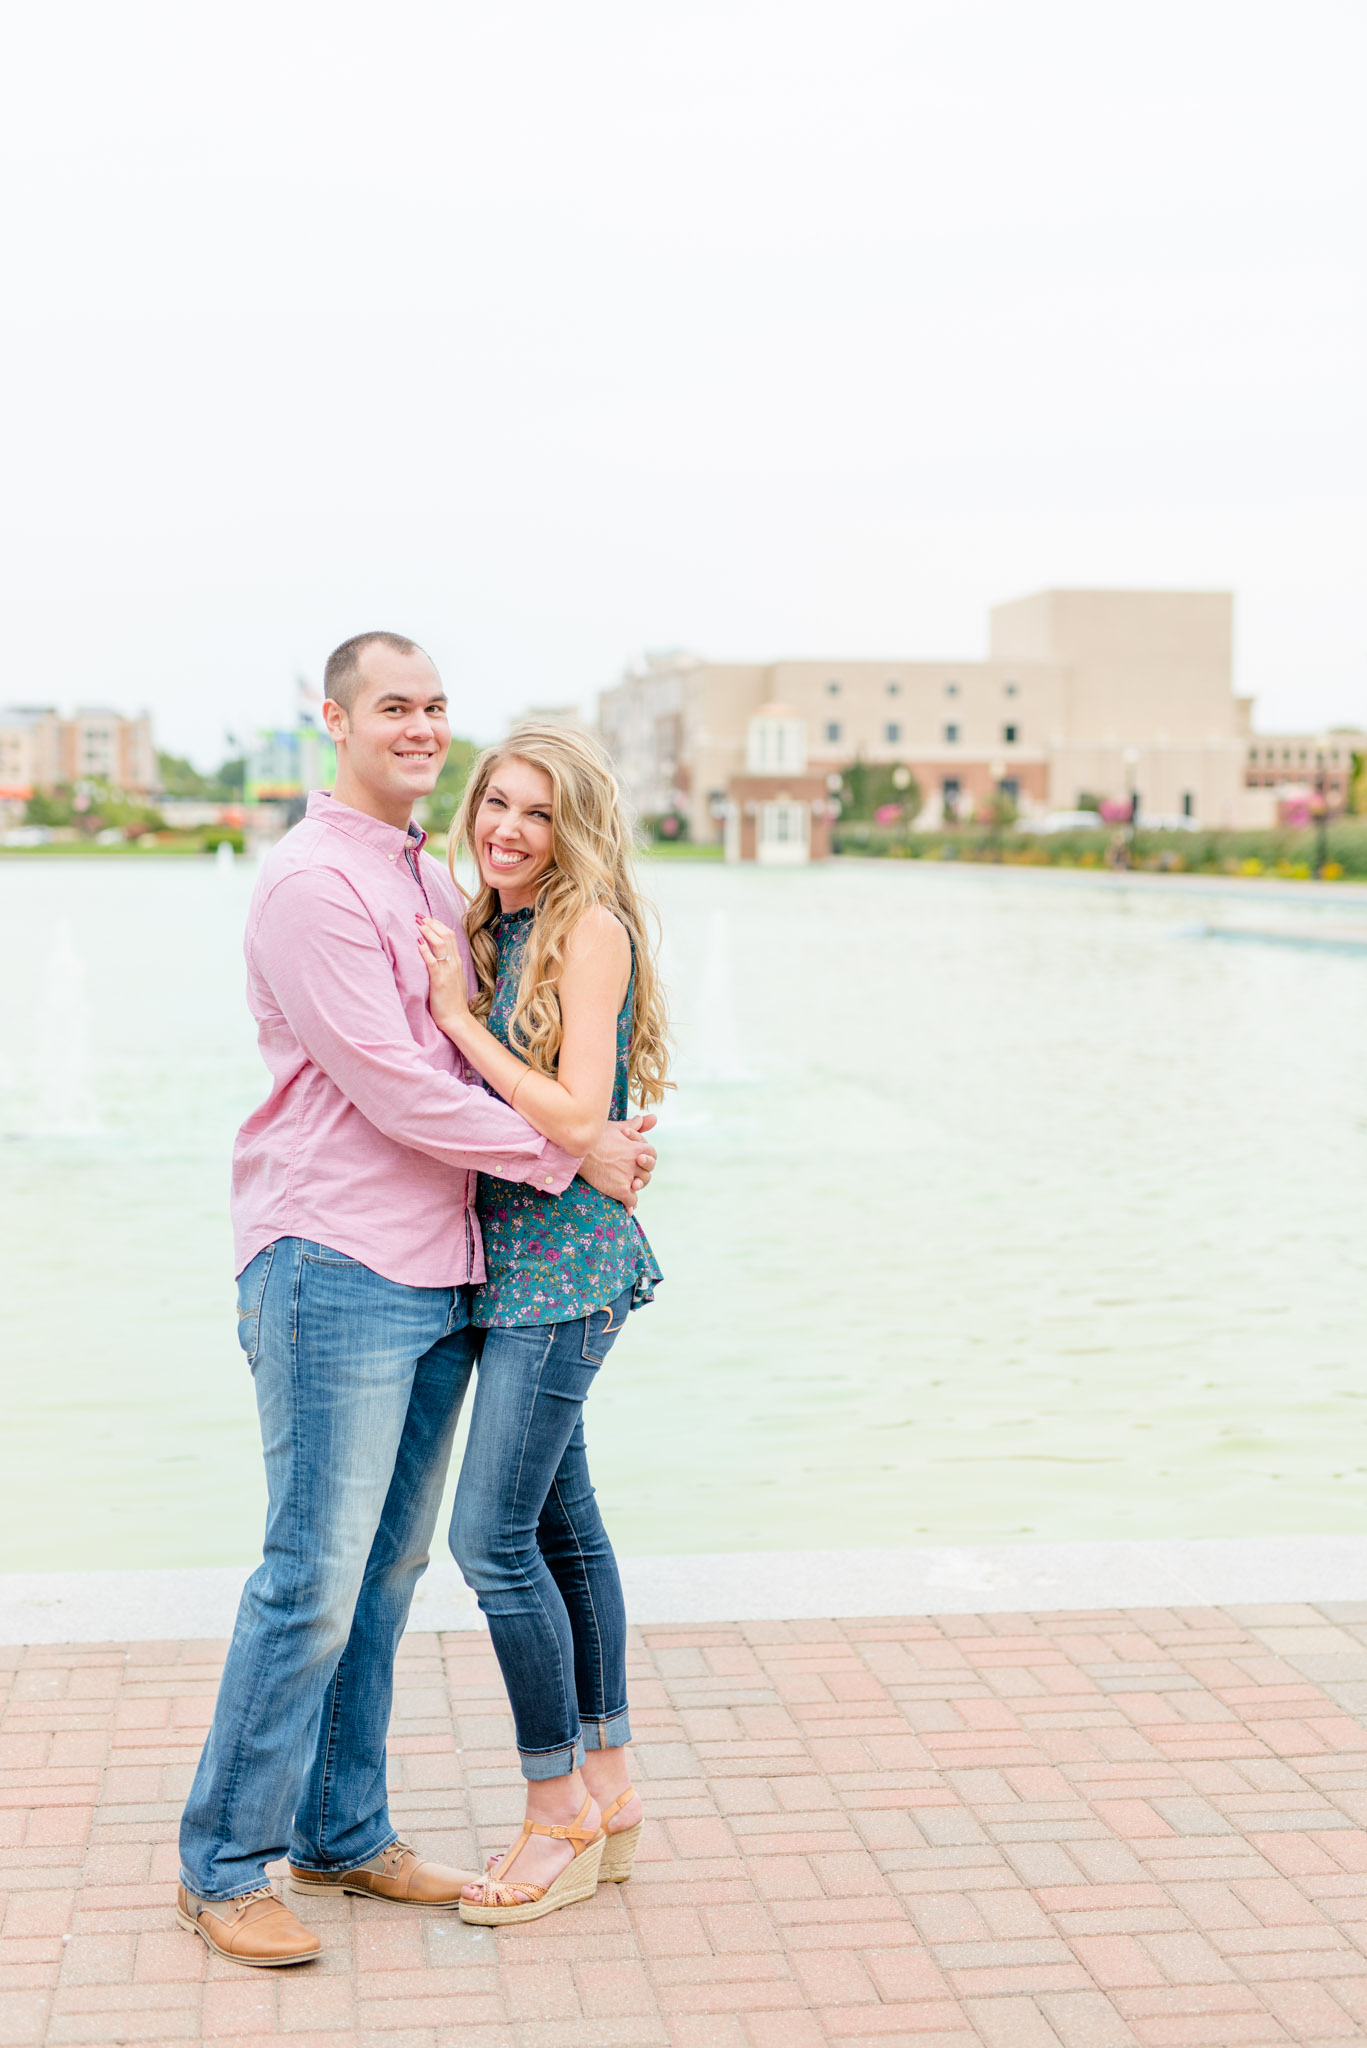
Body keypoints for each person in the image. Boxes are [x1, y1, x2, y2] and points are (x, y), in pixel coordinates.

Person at [176, 635, 657, 1969]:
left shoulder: (434, 884)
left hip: (447, 1270)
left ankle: (342, 1834)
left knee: (387, 1576)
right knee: (310, 1579)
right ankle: (224, 1863)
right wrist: (575, 1150)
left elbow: (516, 1040)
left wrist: (578, 1127)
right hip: (330, 1262)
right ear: (333, 719)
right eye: (393, 706)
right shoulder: (312, 886)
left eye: (434, 706)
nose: (419, 727)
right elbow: (397, 1087)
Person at [416, 721, 670, 1926]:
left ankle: (554, 1801)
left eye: (537, 812)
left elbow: (575, 1110)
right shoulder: (487, 924)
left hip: (565, 1271)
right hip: (498, 1265)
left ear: (573, 829)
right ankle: (609, 1779)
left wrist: (459, 1022)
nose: (509, 829)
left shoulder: (588, 928)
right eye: (495, 805)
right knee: (566, 1526)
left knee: (490, 1539)